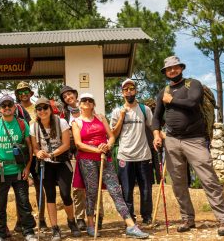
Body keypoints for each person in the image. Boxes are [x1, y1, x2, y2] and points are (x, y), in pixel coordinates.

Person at [152, 56, 224, 236]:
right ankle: (187, 218)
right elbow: (156, 117)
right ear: (165, 72)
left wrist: (170, 100)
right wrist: (157, 135)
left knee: (209, 179)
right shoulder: (163, 91)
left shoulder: (193, 84)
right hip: (172, 140)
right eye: (168, 69)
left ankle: (223, 220)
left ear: (181, 68)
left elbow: (192, 103)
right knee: (178, 183)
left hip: (195, 140)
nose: (172, 71)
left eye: (175, 67)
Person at [72, 93, 149, 239]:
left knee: (115, 190)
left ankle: (131, 225)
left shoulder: (101, 118)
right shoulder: (77, 122)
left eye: (90, 100)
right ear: (80, 104)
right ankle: (90, 224)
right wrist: (96, 149)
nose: (87, 102)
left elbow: (112, 135)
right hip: (87, 160)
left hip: (105, 158)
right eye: (84, 100)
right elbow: (78, 143)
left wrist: (107, 146)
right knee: (92, 192)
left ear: (94, 104)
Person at [0, 95, 37, 241]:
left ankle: (28, 231)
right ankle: (0, 232)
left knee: (23, 201)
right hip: (0, 171)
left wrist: (27, 167)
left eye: (9, 105)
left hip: (19, 170)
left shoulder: (22, 124)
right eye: (3, 105)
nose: (7, 108)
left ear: (14, 107)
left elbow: (29, 147)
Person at [30, 97, 81, 240]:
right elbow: (34, 147)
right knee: (50, 195)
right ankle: (55, 228)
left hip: (62, 163)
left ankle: (71, 221)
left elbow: (65, 144)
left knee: (65, 194)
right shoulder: (34, 126)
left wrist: (51, 154)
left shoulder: (61, 122)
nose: (42, 111)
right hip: (45, 165)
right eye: (39, 109)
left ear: (50, 109)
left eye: (45, 108)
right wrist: (38, 153)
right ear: (36, 111)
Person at [110, 79, 154, 225]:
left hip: (144, 155)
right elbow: (113, 134)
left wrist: (158, 137)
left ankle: (147, 216)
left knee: (146, 189)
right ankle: (130, 218)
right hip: (125, 156)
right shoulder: (117, 111)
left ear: (136, 91)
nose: (129, 91)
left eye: (131, 88)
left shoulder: (144, 109)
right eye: (125, 89)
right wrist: (122, 117)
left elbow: (153, 127)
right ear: (122, 93)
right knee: (127, 190)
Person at [15, 81, 47, 231]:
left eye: (26, 90)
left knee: (40, 187)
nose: (24, 94)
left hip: (38, 151)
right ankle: (21, 219)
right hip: (21, 153)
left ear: (31, 93)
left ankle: (41, 218)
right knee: (20, 188)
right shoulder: (14, 109)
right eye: (20, 91)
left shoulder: (38, 108)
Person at [59, 85, 88, 231]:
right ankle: (80, 217)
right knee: (77, 186)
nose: (68, 98)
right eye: (65, 97)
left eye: (69, 94)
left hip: (90, 150)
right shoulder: (63, 114)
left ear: (75, 94)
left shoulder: (86, 106)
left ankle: (95, 216)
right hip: (73, 153)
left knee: (92, 185)